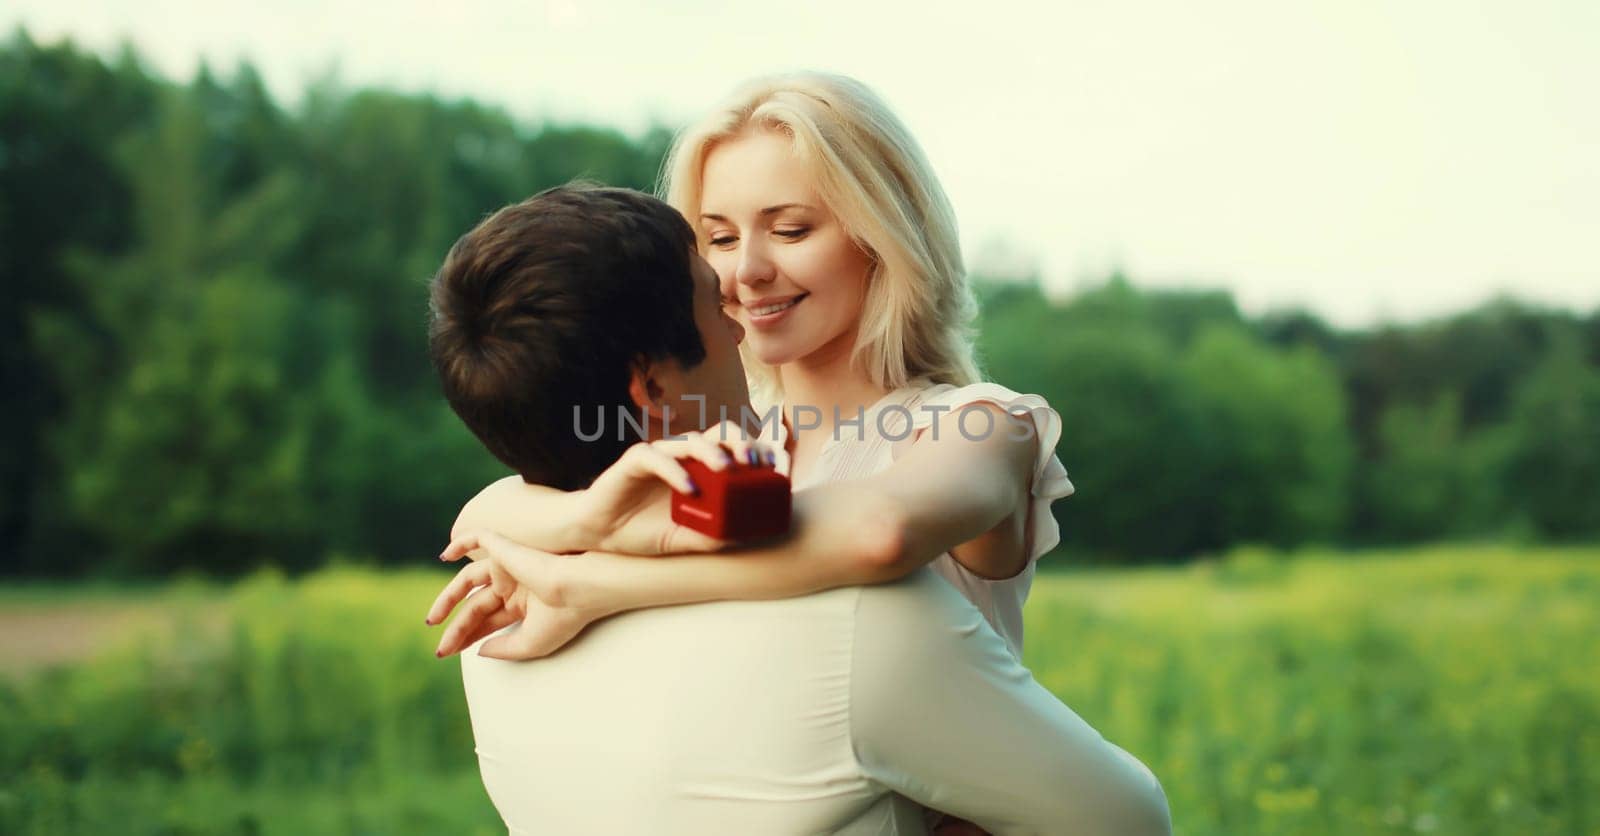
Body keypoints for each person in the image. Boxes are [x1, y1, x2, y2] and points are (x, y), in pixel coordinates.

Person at [426, 182, 1170, 834]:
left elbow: (487, 512)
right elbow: (1126, 820)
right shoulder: (862, 625)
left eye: (789, 227)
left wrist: (594, 560)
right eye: (714, 259)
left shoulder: (500, 606)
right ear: (650, 388)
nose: (739, 305)